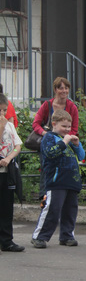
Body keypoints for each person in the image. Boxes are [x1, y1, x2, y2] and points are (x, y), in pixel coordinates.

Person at [30, 109, 85, 249]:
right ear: (54, 124)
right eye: (63, 126)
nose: (67, 130)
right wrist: (64, 142)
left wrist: (77, 145)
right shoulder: (49, 137)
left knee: (70, 210)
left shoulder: (69, 140)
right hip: (56, 181)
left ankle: (67, 235)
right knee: (52, 209)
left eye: (68, 127)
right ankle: (40, 236)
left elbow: (82, 156)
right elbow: (50, 153)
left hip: (71, 181)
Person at [32, 77, 79, 202]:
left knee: (64, 166)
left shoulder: (72, 107)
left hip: (65, 142)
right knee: (46, 166)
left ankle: (63, 193)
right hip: (49, 141)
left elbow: (74, 127)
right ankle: (44, 194)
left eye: (66, 88)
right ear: (55, 89)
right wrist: (46, 134)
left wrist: (67, 137)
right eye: (61, 88)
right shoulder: (47, 105)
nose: (64, 91)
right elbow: (36, 123)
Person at [0, 93, 25, 252]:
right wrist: (1, 127)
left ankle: (6, 240)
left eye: (4, 110)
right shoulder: (4, 126)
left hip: (6, 171)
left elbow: (18, 145)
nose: (2, 114)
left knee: (6, 207)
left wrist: (9, 158)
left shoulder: (9, 126)